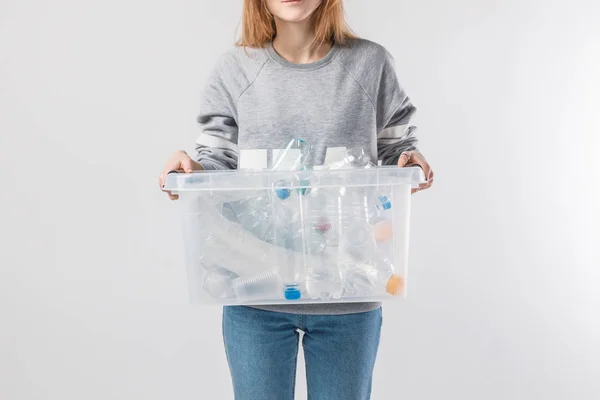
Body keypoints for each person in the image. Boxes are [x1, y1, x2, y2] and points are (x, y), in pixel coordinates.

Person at [159, 0, 434, 398]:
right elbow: (216, 163)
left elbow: (397, 150)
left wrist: (411, 160)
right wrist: (189, 170)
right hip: (255, 294)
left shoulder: (369, 65)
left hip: (348, 291)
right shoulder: (235, 70)